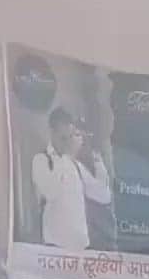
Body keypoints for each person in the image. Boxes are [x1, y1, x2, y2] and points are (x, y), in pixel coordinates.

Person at [31, 108, 111, 252]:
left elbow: (104, 196)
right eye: (63, 138)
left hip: (81, 248)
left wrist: (96, 158)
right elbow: (50, 193)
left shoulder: (75, 165)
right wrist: (66, 156)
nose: (67, 142)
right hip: (55, 248)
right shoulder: (41, 160)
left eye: (70, 137)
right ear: (52, 133)